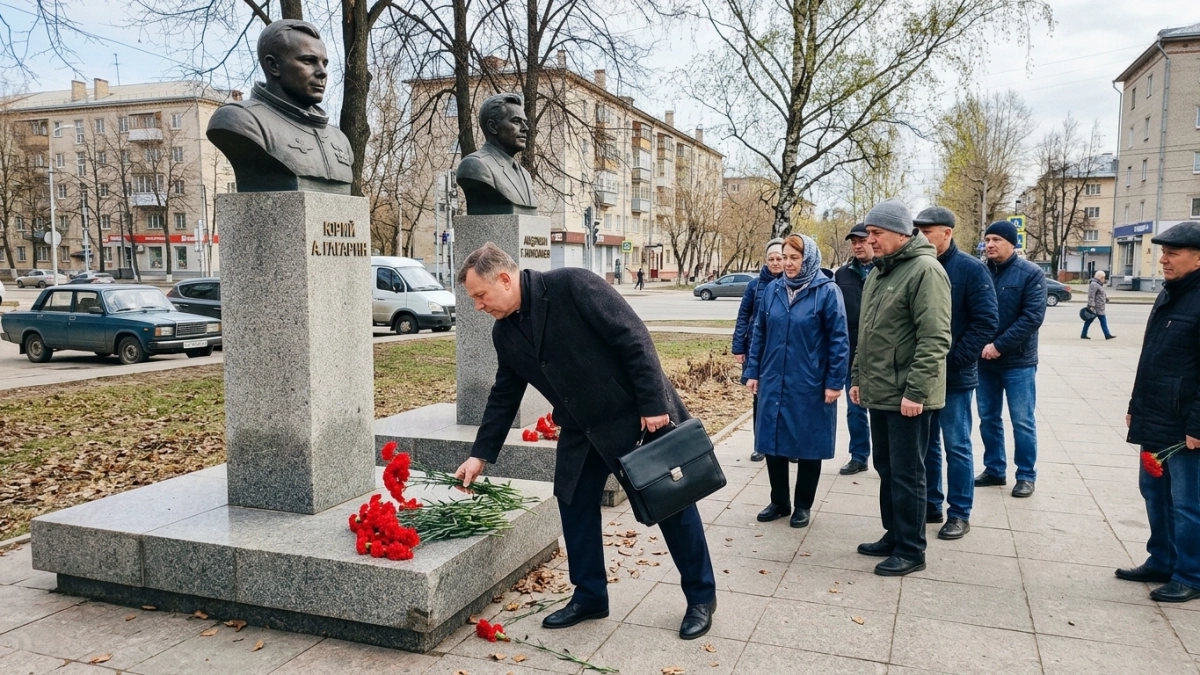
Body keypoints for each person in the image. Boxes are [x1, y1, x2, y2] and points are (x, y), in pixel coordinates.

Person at [453, 243, 717, 638]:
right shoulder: (504, 333)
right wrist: (480, 456)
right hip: (581, 427)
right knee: (573, 500)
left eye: (479, 296)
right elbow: (504, 395)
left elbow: (633, 337)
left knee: (670, 503)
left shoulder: (572, 284)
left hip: (635, 416)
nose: (477, 306)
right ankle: (590, 595)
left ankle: (701, 597)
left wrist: (653, 403)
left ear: (504, 280)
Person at [849, 199, 951, 577]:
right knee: (887, 467)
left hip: (908, 395)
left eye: (875, 234)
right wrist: (858, 378)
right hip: (881, 391)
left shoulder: (925, 270)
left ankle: (912, 549)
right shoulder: (880, 271)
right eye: (868, 234)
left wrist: (916, 392)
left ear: (899, 233)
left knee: (908, 472)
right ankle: (894, 533)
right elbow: (867, 333)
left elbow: (935, 337)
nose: (869, 240)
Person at [1117, 221, 1200, 602]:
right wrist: (1135, 404)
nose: (1162, 259)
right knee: (1153, 491)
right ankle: (1162, 560)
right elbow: (1150, 357)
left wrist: (1198, 424)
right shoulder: (1169, 293)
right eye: (1162, 252)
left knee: (1188, 503)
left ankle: (1191, 574)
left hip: (1186, 424)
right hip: (1155, 416)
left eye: (1172, 253)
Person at [744, 234, 849, 528]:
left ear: (809, 259)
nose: (788, 264)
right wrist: (753, 372)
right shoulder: (774, 289)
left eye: (794, 258)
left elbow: (839, 340)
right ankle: (779, 501)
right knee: (771, 441)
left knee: (808, 444)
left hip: (810, 381)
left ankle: (803, 505)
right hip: (773, 377)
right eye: (785, 257)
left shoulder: (827, 291)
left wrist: (834, 381)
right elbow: (760, 334)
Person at [913, 207, 998, 540]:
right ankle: (931, 504)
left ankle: (959, 512)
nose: (920, 237)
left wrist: (950, 361)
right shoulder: (918, 267)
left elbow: (985, 322)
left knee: (957, 444)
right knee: (926, 445)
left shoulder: (971, 270)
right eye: (917, 231)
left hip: (955, 376)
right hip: (922, 376)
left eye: (927, 231)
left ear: (947, 233)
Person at [206, 19, 354, 194]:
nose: (322, 72)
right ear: (273, 65)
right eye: (308, 61)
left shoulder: (339, 139)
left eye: (324, 63)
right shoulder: (239, 121)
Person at [974, 220, 1047, 498]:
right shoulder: (980, 272)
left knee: (1022, 420)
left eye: (996, 240)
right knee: (988, 418)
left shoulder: (1030, 273)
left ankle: (1026, 475)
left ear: (1011, 243)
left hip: (1018, 362)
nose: (990, 244)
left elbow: (1032, 318)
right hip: (983, 362)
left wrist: (999, 346)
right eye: (987, 239)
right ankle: (994, 469)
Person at [733, 238, 785, 462]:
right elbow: (743, 316)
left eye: (779, 258)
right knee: (760, 399)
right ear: (766, 261)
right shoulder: (755, 285)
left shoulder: (792, 282)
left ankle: (786, 445)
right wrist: (738, 348)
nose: (775, 262)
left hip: (782, 350)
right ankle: (760, 444)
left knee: (785, 399)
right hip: (757, 349)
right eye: (771, 258)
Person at [455, 93, 538, 215]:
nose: (525, 128)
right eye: (516, 121)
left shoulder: (525, 175)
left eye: (524, 122)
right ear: (493, 127)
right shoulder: (475, 166)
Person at [835, 223, 873, 475]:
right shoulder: (842, 274)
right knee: (855, 408)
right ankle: (859, 455)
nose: (857, 245)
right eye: (854, 241)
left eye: (862, 240)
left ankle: (887, 458)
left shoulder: (887, 270)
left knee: (883, 411)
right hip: (851, 352)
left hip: (880, 353)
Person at [1082, 271, 1115, 340]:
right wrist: (1091, 305)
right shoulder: (1094, 284)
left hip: (1099, 306)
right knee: (1101, 320)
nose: (1104, 279)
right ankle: (1107, 334)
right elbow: (1091, 295)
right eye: (1103, 277)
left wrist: (1105, 298)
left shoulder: (1098, 284)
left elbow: (1100, 294)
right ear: (1101, 277)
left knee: (1090, 321)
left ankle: (1084, 334)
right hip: (1096, 307)